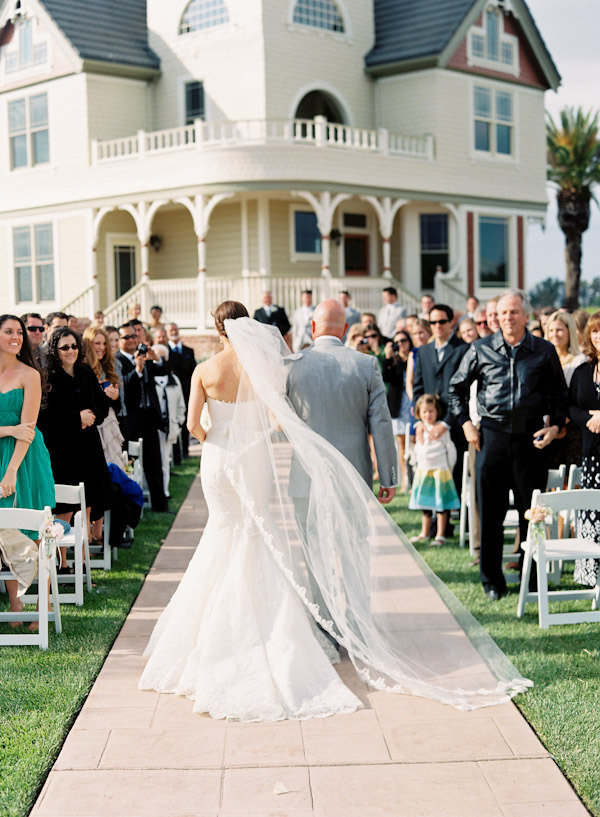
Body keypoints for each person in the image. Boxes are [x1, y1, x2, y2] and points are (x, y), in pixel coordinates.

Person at [139, 300, 532, 719]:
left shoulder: (290, 367)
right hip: (351, 475)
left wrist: (234, 440)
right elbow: (380, 424)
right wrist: (388, 476)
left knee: (311, 552)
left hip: (291, 475)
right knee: (353, 549)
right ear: (345, 329)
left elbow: (262, 418)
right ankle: (358, 628)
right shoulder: (364, 365)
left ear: (312, 327)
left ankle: (325, 628)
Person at [449, 289, 568, 601]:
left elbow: (560, 395)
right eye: (503, 313)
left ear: (526, 316)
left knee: (533, 513)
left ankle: (532, 578)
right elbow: (455, 389)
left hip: (531, 441)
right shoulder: (480, 349)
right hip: (492, 438)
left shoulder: (543, 351)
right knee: (491, 513)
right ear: (496, 317)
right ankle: (492, 581)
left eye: (514, 312)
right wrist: (466, 424)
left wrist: (555, 426)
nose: (508, 318)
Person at [38, 327, 111, 566]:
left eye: (74, 346)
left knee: (86, 505)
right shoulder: (48, 377)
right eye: (65, 347)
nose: (71, 351)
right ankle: (62, 564)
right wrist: (75, 418)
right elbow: (44, 417)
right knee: (64, 509)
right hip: (62, 450)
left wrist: (91, 416)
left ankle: (82, 562)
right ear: (55, 350)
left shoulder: (85, 371)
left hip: (89, 448)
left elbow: (102, 404)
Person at [0, 315, 55, 624]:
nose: (16, 337)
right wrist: (8, 430)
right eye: (8, 331)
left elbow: (28, 428)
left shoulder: (30, 374)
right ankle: (15, 604)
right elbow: (17, 428)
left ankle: (42, 605)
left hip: (26, 458)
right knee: (5, 531)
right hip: (2, 449)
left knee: (33, 530)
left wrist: (11, 472)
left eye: (19, 332)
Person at [413, 303, 467, 502]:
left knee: (455, 474)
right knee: (431, 476)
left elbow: (465, 391)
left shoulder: (463, 349)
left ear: (451, 322)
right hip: (429, 425)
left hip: (455, 423)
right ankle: (434, 517)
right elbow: (418, 388)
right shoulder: (424, 352)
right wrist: (419, 421)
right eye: (433, 322)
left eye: (442, 321)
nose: (437, 326)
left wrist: (446, 423)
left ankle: (457, 515)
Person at [116, 324, 169, 512]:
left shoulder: (144, 355)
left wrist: (156, 358)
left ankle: (160, 506)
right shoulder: (117, 360)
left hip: (149, 417)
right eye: (126, 337)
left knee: (154, 463)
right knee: (130, 464)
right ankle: (131, 509)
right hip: (130, 420)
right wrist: (137, 370)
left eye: (133, 336)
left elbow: (165, 372)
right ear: (119, 341)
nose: (131, 340)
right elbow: (122, 385)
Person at [568, 312, 600, 588]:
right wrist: (590, 419)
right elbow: (570, 407)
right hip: (591, 455)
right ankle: (591, 575)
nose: (599, 336)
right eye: (595, 331)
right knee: (591, 513)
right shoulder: (582, 371)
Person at [409, 394, 460, 546]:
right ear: (419, 413)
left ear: (437, 411)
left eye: (431, 411)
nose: (428, 415)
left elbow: (450, 449)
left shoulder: (441, 429)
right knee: (425, 505)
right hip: (424, 471)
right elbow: (416, 450)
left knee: (441, 505)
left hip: (440, 471)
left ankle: (440, 535)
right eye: (424, 411)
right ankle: (424, 532)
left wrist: (448, 468)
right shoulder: (418, 428)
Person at [82, 325, 125, 470]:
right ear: (88, 345)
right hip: (94, 426)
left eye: (104, 343)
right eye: (97, 343)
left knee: (115, 467)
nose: (102, 347)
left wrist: (115, 397)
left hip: (110, 424)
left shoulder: (107, 367)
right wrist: (103, 395)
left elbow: (118, 407)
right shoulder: (83, 370)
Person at [152, 344, 186, 499]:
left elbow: (181, 405)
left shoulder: (174, 380)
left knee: (165, 460)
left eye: (163, 357)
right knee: (155, 460)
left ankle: (165, 491)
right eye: (156, 356)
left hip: (169, 426)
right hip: (154, 426)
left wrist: (178, 423)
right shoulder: (150, 377)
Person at [382, 329, 413, 492]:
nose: (400, 344)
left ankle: (415, 478)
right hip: (398, 405)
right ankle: (405, 479)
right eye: (397, 342)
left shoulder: (416, 357)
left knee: (414, 442)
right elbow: (386, 377)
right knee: (401, 444)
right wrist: (388, 357)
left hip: (413, 404)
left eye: (403, 341)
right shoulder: (393, 361)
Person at [166, 322, 196, 459]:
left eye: (175, 329)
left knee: (186, 420)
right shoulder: (165, 351)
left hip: (187, 392)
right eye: (171, 330)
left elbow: (193, 373)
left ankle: (185, 451)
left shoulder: (188, 351)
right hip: (171, 393)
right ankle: (176, 454)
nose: (174, 332)